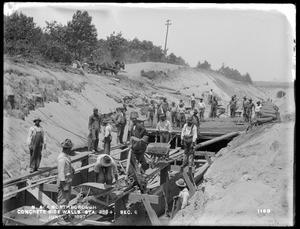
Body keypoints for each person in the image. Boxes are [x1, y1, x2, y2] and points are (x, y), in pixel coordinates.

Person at [57, 139, 75, 206]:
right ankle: (60, 215)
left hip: (67, 181)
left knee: (66, 199)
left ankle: (63, 214)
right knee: (62, 200)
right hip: (64, 182)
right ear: (68, 149)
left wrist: (71, 168)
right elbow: (61, 173)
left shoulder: (66, 157)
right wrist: (64, 185)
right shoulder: (62, 159)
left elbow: (67, 166)